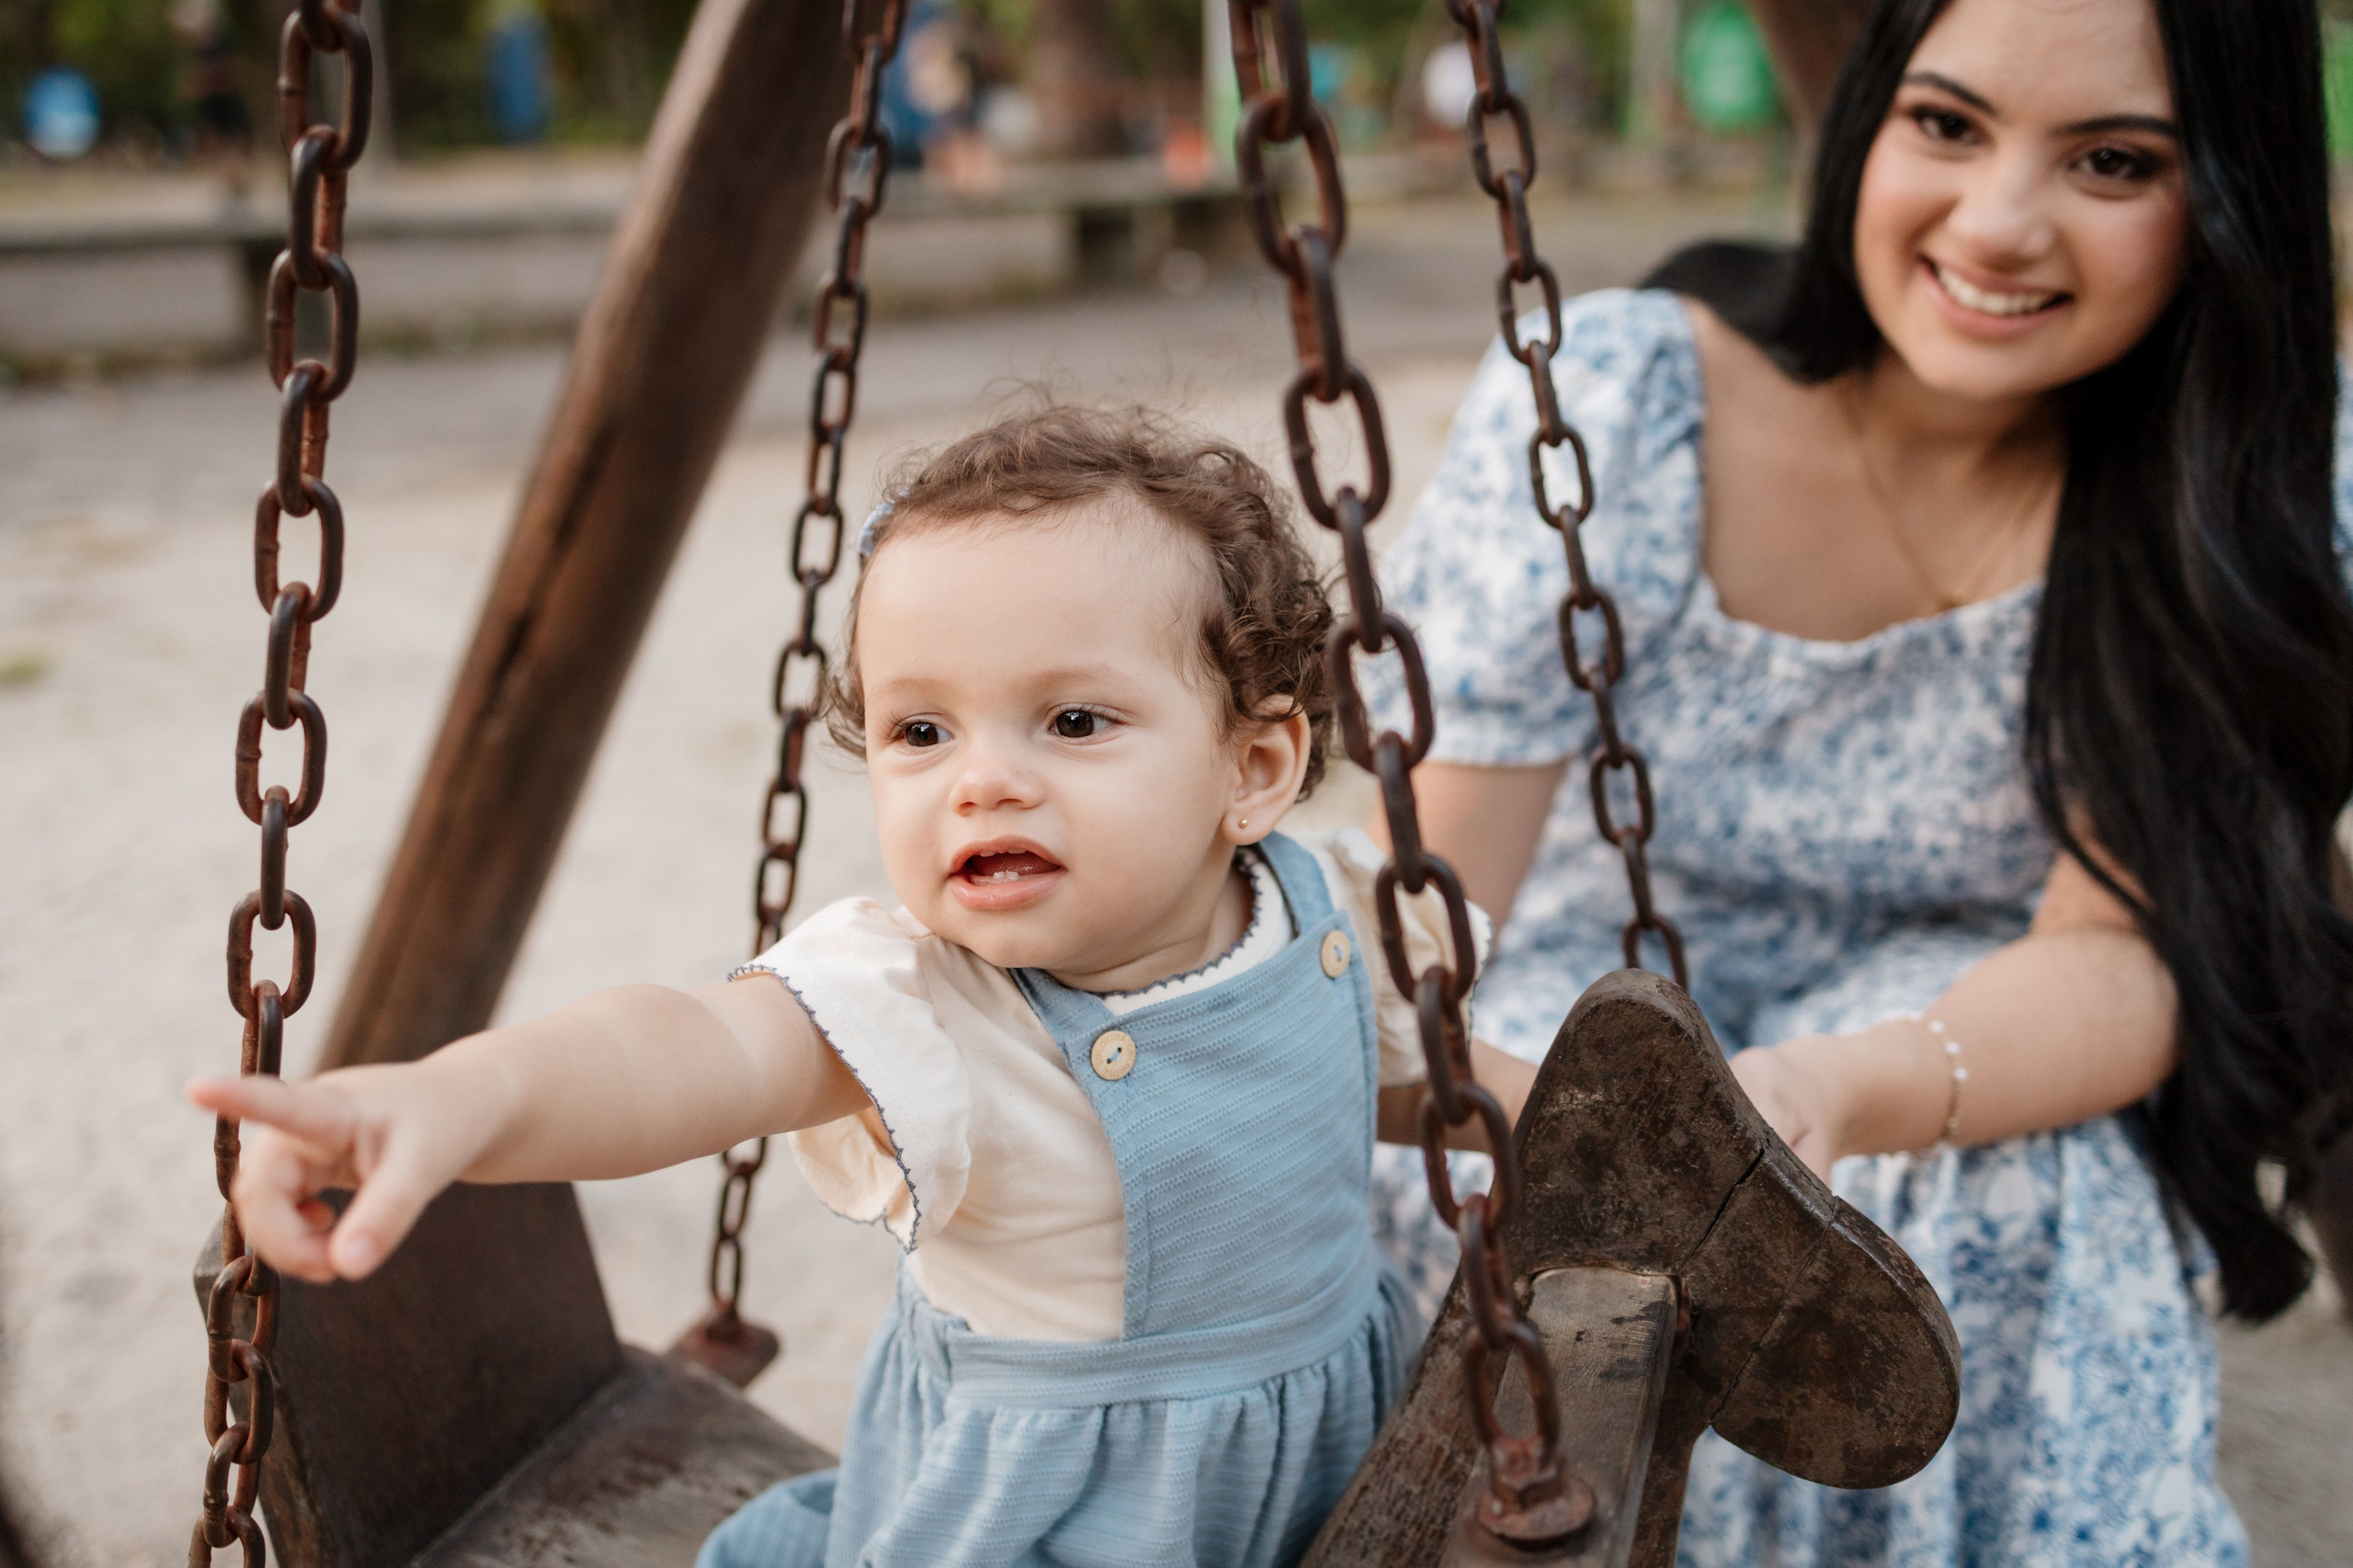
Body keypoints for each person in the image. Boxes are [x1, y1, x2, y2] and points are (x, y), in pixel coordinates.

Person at [190, 408, 1534, 1568]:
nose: (983, 777)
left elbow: (1425, 1082)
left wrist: (1597, 1123)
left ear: (1254, 767)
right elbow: (684, 1048)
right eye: (921, 728)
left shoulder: (1320, 909)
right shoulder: (922, 1002)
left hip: (1328, 1460)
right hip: (1060, 1521)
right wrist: (461, 1094)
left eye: (1073, 720)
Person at [1365, 0, 2353, 1561]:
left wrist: (1840, 1088)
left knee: (2002, 1197)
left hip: (1957, 1020)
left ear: (2226, 193)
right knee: (1480, 1186)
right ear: (1867, 126)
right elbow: (1443, 896)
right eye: (1946, 125)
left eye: (2110, 159)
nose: (2000, 224)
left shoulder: (2226, 492)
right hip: (1586, 988)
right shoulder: (1618, 399)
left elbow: (2115, 952)